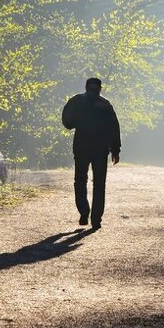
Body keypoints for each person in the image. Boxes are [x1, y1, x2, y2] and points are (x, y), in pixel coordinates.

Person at [61, 77, 121, 229]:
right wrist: (115, 149)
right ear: (100, 89)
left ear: (86, 87)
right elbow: (114, 128)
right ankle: (96, 219)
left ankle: (84, 212)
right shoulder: (105, 105)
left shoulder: (76, 101)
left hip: (81, 147)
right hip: (100, 149)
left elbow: (67, 122)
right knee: (99, 184)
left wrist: (78, 122)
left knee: (80, 180)